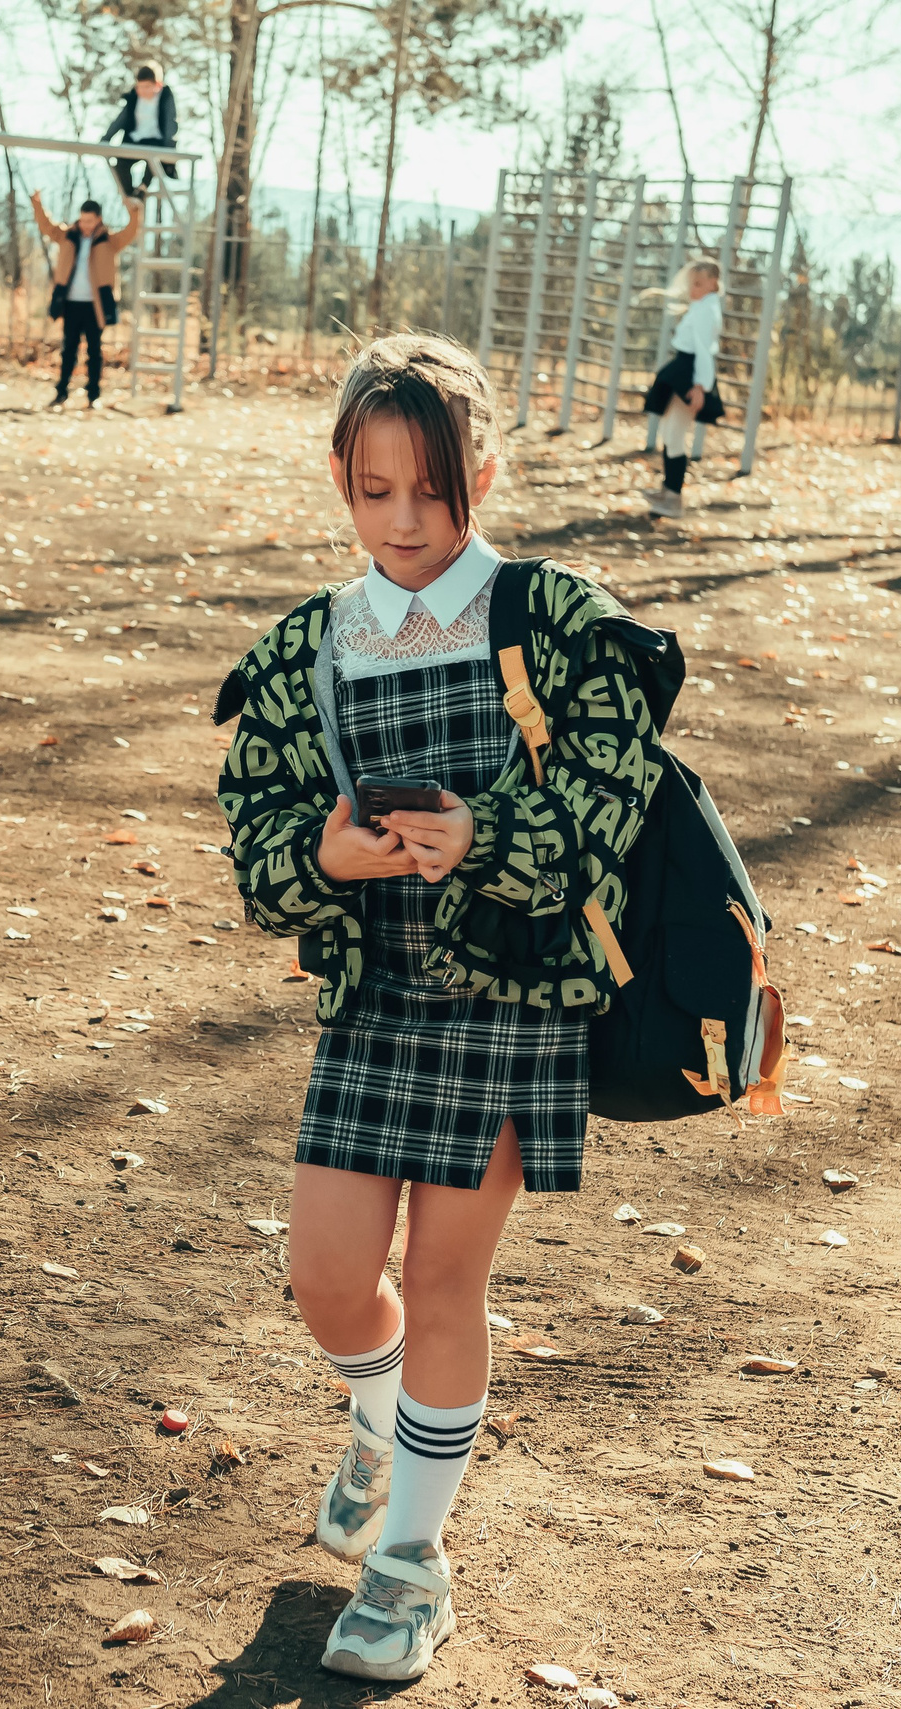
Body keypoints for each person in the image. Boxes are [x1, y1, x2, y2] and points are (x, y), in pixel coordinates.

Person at [212, 333, 670, 1682]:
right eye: (374, 492)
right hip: (375, 1002)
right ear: (341, 485)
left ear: (487, 472)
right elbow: (260, 838)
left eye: (433, 489)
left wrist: (487, 835)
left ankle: (412, 1562)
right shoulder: (313, 647)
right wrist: (324, 859)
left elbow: (609, 801)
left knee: (447, 1278)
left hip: (514, 1001)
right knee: (329, 1278)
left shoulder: (555, 619)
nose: (405, 522)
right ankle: (382, 1420)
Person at [29, 190, 144, 408]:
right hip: (71, 303)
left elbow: (131, 231)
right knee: (68, 350)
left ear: (98, 219)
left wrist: (135, 210)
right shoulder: (67, 235)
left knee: (94, 351)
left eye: (90, 221)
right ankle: (61, 392)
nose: (85, 225)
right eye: (82, 220)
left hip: (96, 305)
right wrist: (37, 205)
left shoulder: (109, 241)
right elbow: (46, 226)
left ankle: (93, 395)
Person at [642, 260, 726, 520]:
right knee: (669, 432)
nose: (693, 288)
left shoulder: (707, 311)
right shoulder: (701, 307)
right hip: (682, 368)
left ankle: (673, 499)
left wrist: (700, 387)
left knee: (675, 434)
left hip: (689, 374)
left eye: (699, 283)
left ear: (714, 283)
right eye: (692, 283)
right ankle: (667, 491)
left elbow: (704, 351)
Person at [102, 65, 178, 198]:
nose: (143, 91)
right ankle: (131, 195)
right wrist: (106, 138)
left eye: (147, 87)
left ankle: (143, 187)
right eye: (140, 87)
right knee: (121, 163)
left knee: (153, 161)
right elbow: (121, 119)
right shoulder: (134, 99)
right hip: (134, 140)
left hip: (156, 142)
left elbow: (170, 123)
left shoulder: (165, 98)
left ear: (157, 85)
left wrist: (169, 149)